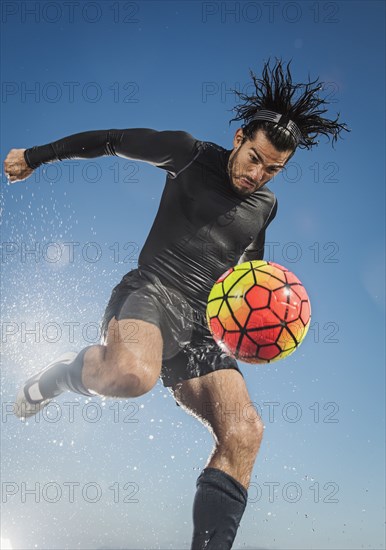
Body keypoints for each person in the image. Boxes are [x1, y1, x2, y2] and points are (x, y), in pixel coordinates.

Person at [4, 59, 348, 549]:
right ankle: (63, 374)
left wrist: (253, 326)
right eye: (255, 158)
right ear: (238, 139)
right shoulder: (188, 154)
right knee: (132, 376)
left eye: (274, 169)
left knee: (245, 431)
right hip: (152, 293)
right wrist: (36, 156)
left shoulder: (266, 206)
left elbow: (249, 275)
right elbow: (112, 139)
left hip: (206, 325)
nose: (259, 174)